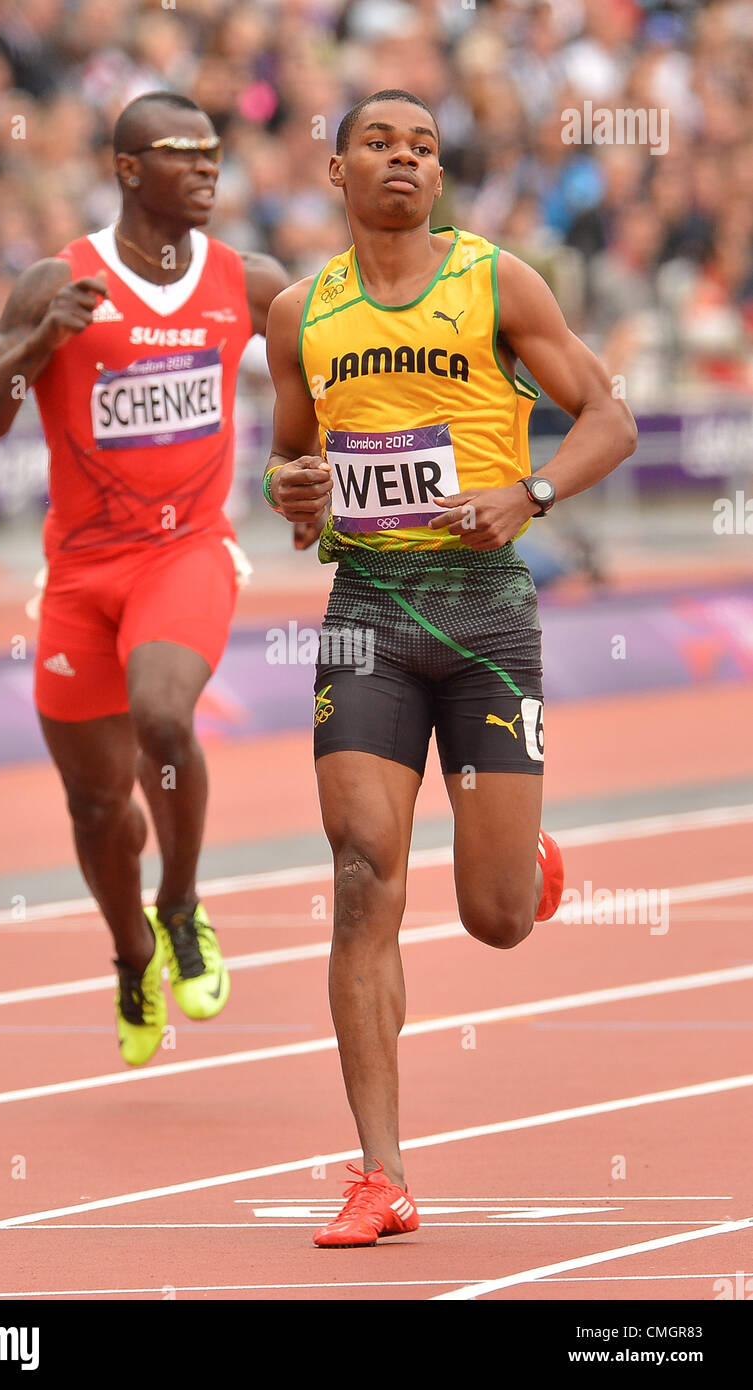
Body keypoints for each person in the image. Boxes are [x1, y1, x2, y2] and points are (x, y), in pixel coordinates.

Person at [263, 89, 637, 1248]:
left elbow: (607, 419)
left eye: (422, 147)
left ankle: (522, 864)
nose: (403, 161)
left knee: (495, 919)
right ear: (336, 173)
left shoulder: (496, 282)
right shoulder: (297, 313)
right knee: (364, 875)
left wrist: (525, 495)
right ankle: (380, 1173)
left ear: (438, 175)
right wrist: (293, 493)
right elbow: (289, 471)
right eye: (378, 143)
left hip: (485, 619)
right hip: (369, 608)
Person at [0, 92, 289, 1068]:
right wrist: (37, 341)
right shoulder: (61, 279)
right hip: (81, 574)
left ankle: (180, 906)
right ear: (129, 169)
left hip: (187, 551)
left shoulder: (248, 280)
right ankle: (132, 952)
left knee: (166, 716)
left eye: (217, 154)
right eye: (185, 154)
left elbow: (336, 358)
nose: (210, 169)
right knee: (97, 807)